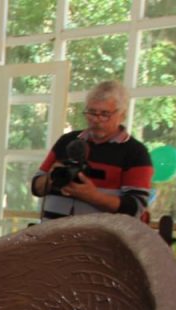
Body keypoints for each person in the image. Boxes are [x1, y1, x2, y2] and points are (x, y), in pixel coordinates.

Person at [31, 80, 153, 221]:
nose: (96, 119)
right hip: (51, 234)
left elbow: (136, 208)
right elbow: (36, 187)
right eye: (92, 112)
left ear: (122, 115)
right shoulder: (67, 141)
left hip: (98, 239)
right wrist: (52, 178)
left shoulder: (135, 152)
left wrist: (93, 196)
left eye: (105, 114)